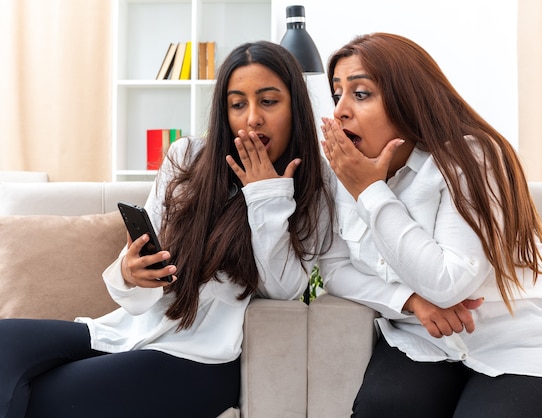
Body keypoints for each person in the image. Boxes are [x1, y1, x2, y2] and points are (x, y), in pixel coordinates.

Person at [0, 40, 333, 418]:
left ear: (295, 108)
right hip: (131, 331)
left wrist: (265, 195)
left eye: (268, 101)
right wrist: (130, 274)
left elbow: (284, 287)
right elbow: (142, 283)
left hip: (198, 358)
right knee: (5, 340)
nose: (252, 118)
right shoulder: (187, 157)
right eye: (238, 104)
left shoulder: (316, 186)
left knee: (44, 396)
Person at [318, 32, 542, 418]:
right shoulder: (343, 172)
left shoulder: (473, 157)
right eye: (337, 95)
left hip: (522, 350)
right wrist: (410, 302)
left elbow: (449, 284)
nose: (341, 110)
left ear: (407, 99)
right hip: (423, 342)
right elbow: (334, 268)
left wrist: (371, 192)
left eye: (360, 94)